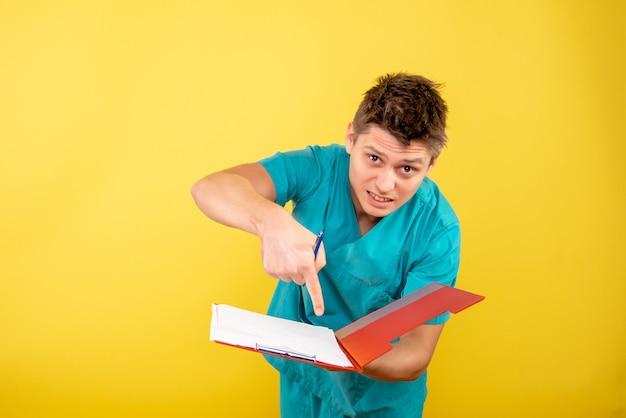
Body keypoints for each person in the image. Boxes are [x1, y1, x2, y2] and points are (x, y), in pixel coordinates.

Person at [191, 72, 460, 417]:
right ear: (351, 138)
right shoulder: (318, 169)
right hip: (307, 383)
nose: (385, 184)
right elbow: (210, 187)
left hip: (382, 399)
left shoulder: (437, 229)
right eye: (374, 158)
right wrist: (271, 221)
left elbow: (416, 351)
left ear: (431, 164)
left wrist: (340, 352)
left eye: (407, 168)